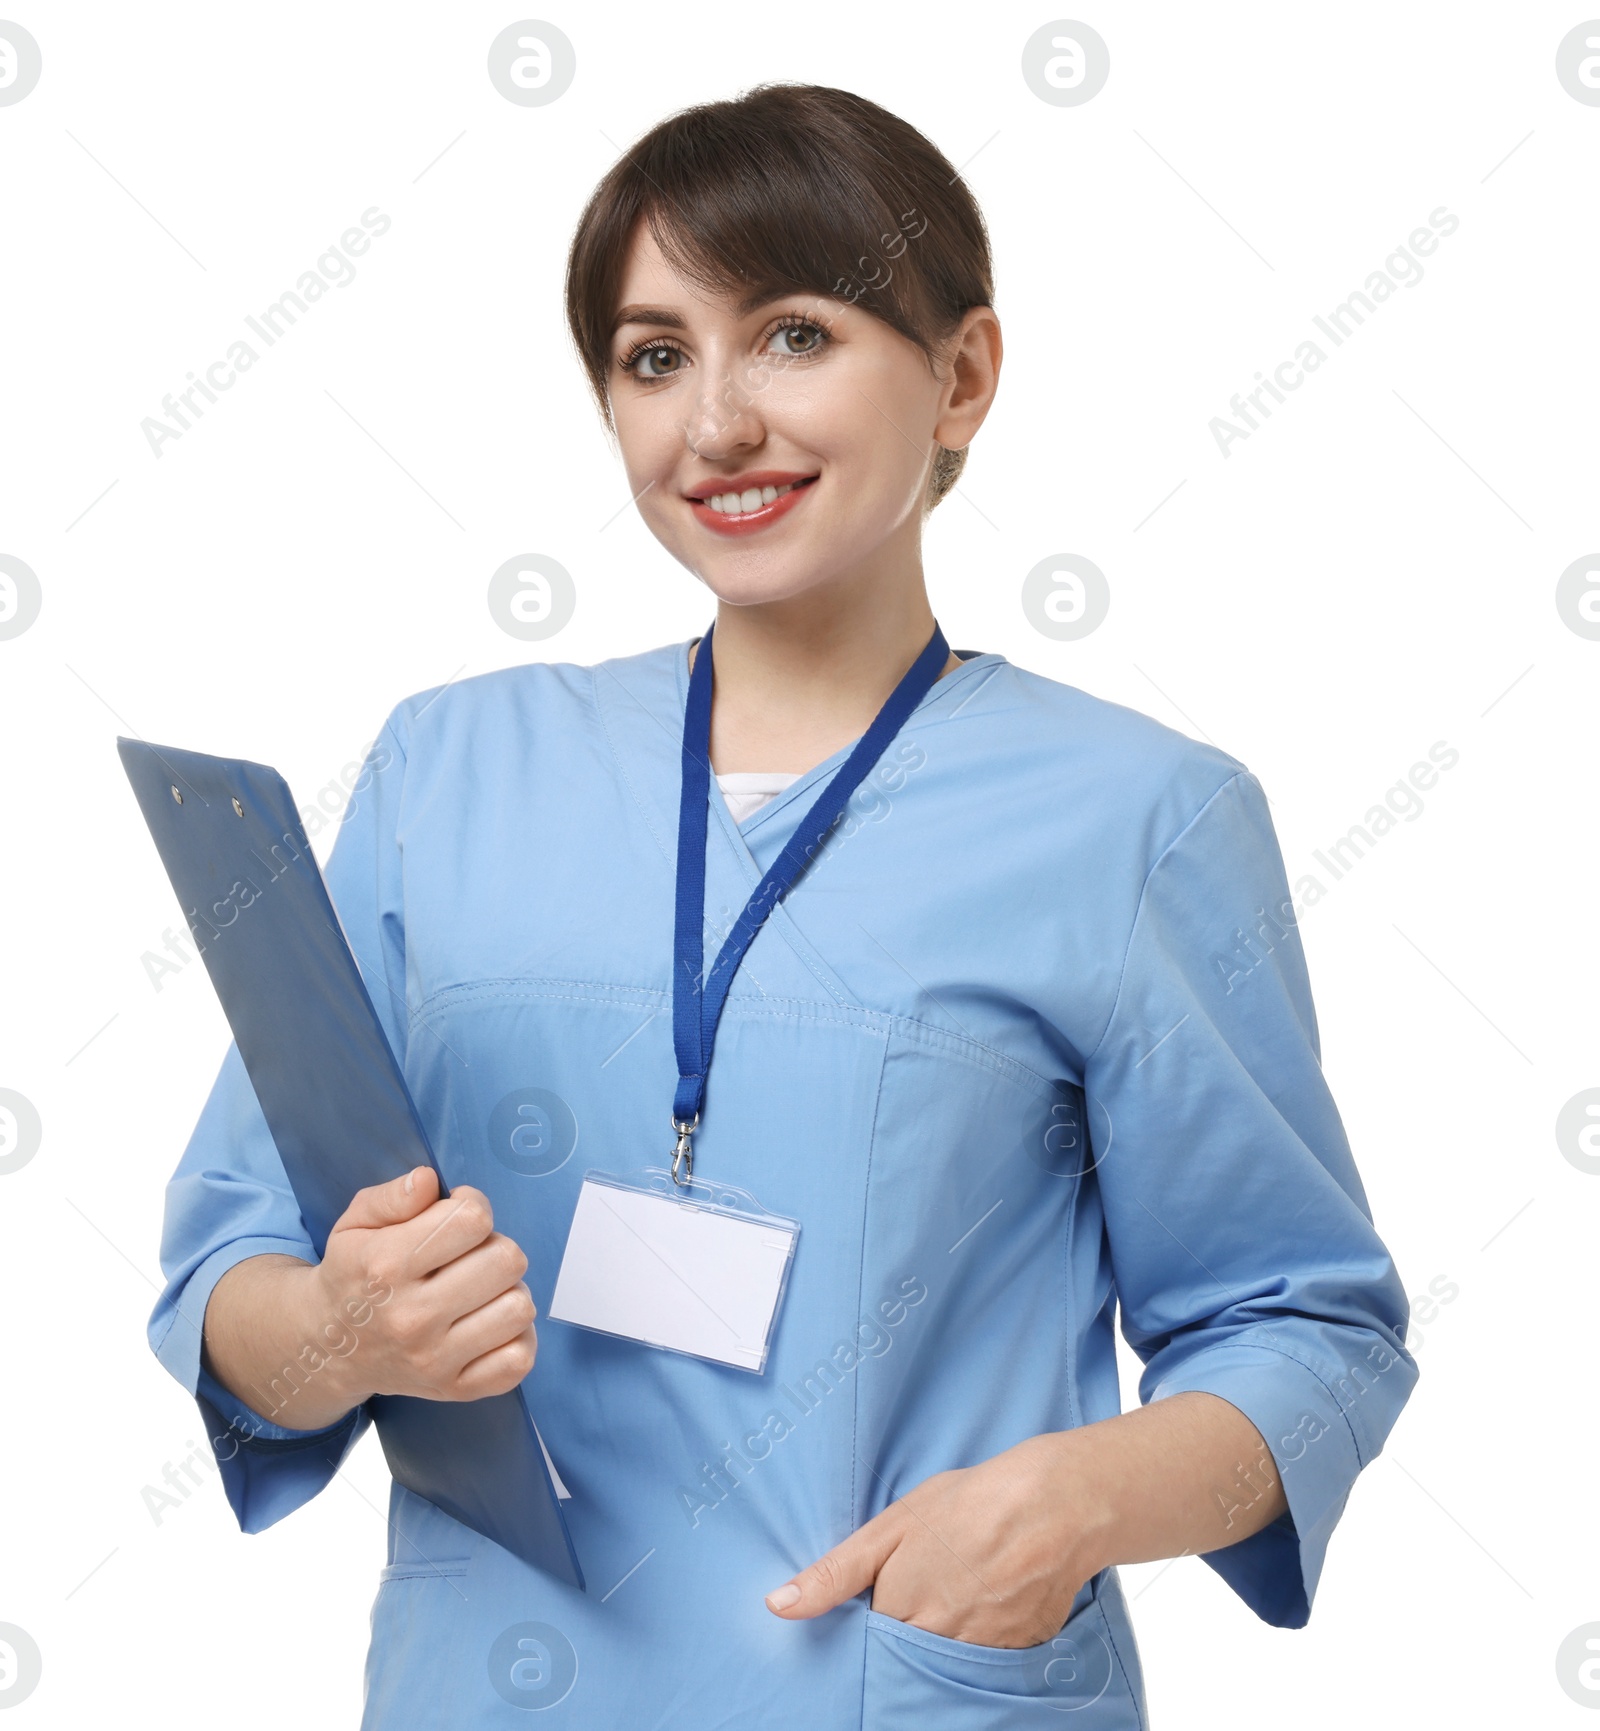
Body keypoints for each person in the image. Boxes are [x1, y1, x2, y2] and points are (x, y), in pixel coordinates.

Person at [148, 82, 1418, 1728]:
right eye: (655, 355)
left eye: (796, 336)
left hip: (905, 1685)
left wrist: (1061, 1509)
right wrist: (337, 1328)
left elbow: (1305, 1329)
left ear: (962, 377)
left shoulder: (1135, 819)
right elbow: (226, 1276)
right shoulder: (450, 770)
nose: (716, 425)